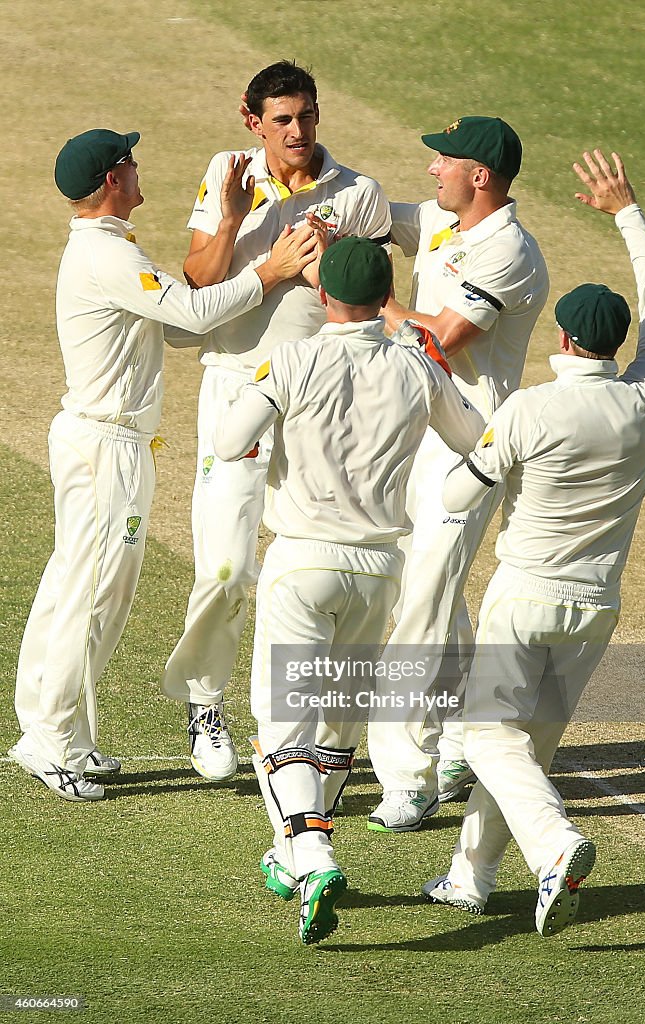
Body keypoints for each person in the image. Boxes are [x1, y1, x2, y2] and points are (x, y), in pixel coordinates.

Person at [8, 128, 317, 803]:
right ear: (114, 180)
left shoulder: (112, 251)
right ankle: (52, 743)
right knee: (91, 594)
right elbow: (191, 310)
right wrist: (271, 271)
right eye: (131, 161)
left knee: (79, 589)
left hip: (111, 444)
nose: (140, 166)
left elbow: (180, 326)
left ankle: (56, 733)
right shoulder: (107, 256)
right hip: (106, 446)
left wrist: (236, 236)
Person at [422, 151, 645, 937]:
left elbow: (456, 494)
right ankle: (471, 878)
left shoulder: (530, 410)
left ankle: (554, 842)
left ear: (565, 336)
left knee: (487, 737)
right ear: (616, 345)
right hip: (594, 609)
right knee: (521, 748)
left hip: (523, 599)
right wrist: (626, 213)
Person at [212, 236, 484, 943]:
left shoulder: (295, 357)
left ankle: (311, 851)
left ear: (322, 295)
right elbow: (477, 443)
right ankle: (290, 852)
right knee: (333, 731)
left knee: (283, 730)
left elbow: (226, 441)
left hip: (302, 565)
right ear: (382, 293)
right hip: (376, 574)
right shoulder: (415, 366)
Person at [160, 60, 393, 783]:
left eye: (308, 115)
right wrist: (234, 218)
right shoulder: (225, 172)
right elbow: (198, 283)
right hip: (235, 387)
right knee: (226, 566)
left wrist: (315, 267)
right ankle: (205, 703)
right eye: (284, 118)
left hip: (319, 402)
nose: (299, 131)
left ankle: (312, 737)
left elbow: (370, 300)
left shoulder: (358, 195)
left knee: (315, 571)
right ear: (251, 118)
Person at [366, 115, 550, 831]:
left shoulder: (507, 251)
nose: (431, 171)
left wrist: (366, 298)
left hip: (468, 449)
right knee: (434, 597)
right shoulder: (446, 224)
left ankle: (405, 777)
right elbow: (378, 211)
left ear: (479, 175)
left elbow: (441, 338)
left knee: (420, 606)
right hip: (419, 436)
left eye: (443, 161)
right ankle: (451, 742)